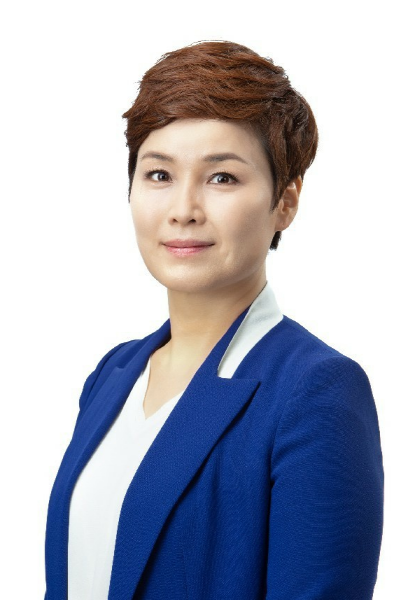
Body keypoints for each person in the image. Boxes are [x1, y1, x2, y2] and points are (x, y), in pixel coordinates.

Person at [43, 40, 384, 600]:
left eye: (221, 177)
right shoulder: (113, 374)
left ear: (285, 201)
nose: (183, 209)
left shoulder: (315, 392)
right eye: (159, 174)